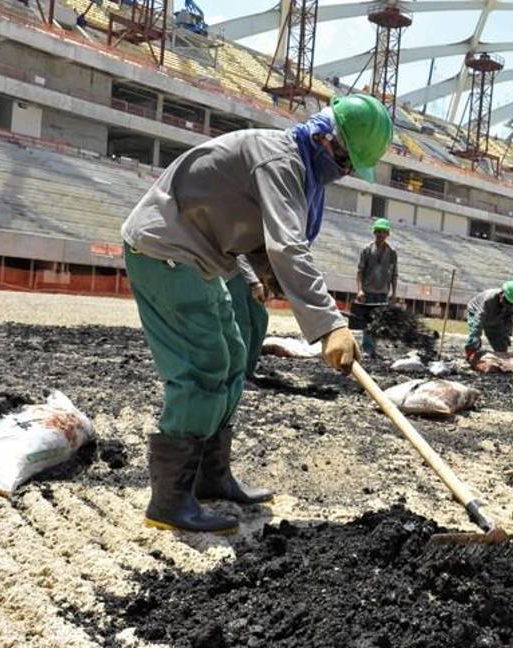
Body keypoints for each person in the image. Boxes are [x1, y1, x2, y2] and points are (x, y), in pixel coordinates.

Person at [121, 94, 392, 534]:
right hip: (166, 249)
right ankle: (169, 501)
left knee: (232, 355)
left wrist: (267, 272)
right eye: (344, 162)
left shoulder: (297, 166)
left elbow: (260, 236)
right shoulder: (281, 161)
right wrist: (330, 326)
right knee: (203, 365)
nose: (344, 172)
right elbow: (287, 245)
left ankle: (210, 477)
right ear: (324, 140)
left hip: (202, 256)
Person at [353, 217, 398, 359]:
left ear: (387, 234)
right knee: (368, 321)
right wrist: (360, 290)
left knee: (378, 322)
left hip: (383, 292)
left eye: (383, 232)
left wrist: (394, 293)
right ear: (374, 232)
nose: (380, 234)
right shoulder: (367, 250)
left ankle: (373, 348)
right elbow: (360, 271)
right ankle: (367, 348)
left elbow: (394, 274)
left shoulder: (392, 252)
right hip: (368, 292)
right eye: (378, 231)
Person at [227, 256, 270, 382]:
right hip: (233, 271)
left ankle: (249, 370)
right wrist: (254, 282)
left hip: (251, 273)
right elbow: (239, 254)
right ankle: (237, 375)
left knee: (261, 319)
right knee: (241, 322)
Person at [463, 280, 513, 361]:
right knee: (474, 339)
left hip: (494, 317)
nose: (508, 304)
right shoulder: (488, 299)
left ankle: (502, 358)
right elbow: (479, 318)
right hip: (476, 311)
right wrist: (476, 336)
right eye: (506, 301)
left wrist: (507, 335)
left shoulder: (511, 305)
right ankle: (470, 356)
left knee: (501, 343)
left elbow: (508, 321)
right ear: (501, 294)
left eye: (510, 302)